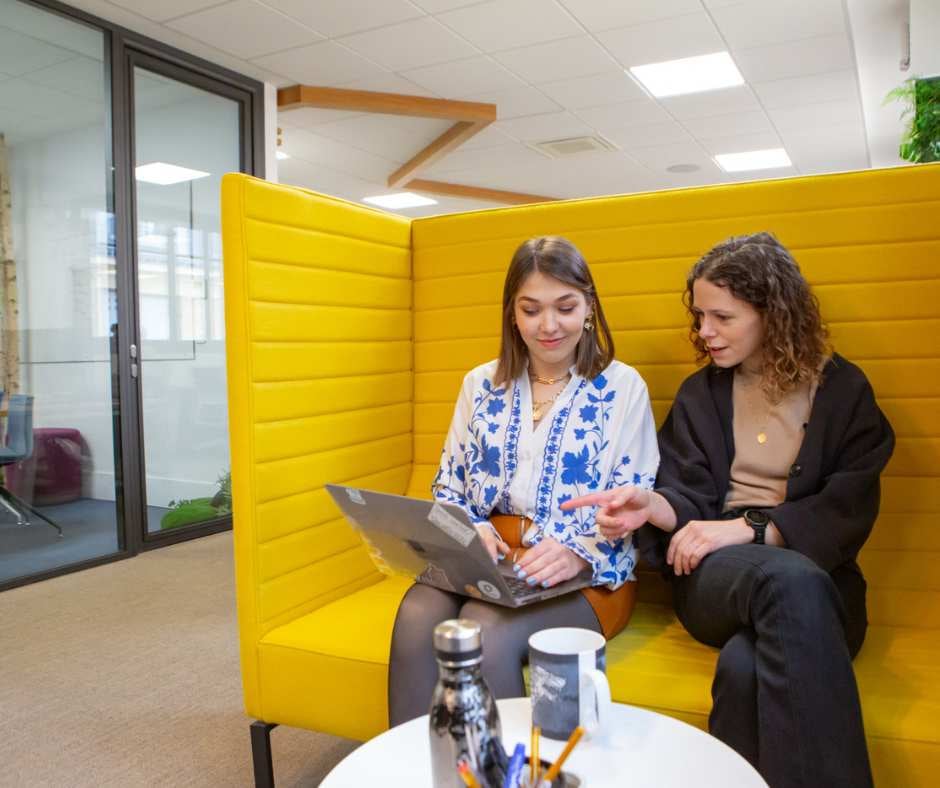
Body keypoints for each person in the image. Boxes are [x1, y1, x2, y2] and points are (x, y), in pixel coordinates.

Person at [565, 232, 894, 788]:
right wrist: (653, 504)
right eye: (699, 316)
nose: (704, 332)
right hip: (716, 582)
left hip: (824, 586)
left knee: (746, 667)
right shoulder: (701, 395)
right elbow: (685, 498)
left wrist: (747, 527)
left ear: (774, 313)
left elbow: (849, 508)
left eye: (723, 317)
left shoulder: (844, 391)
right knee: (791, 582)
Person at [387, 236, 659, 725]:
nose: (549, 326)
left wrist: (576, 549)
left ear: (590, 307)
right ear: (512, 313)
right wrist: (473, 530)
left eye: (565, 307)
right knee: (416, 615)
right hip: (490, 562)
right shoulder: (479, 384)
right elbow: (448, 488)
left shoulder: (623, 387)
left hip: (589, 576)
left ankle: (509, 778)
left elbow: (629, 497)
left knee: (485, 628)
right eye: (531, 309)